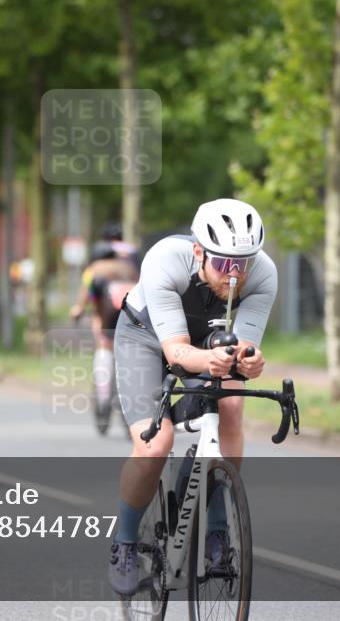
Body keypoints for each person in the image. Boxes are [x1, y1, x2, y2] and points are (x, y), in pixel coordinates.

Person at [106, 198, 277, 595]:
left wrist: (248, 362)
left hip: (206, 340)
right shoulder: (166, 258)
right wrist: (214, 360)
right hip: (146, 339)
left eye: (244, 264)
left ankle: (217, 531)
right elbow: (177, 353)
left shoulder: (264, 273)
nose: (235, 276)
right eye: (224, 264)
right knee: (155, 444)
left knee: (232, 403)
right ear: (199, 250)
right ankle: (126, 541)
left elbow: (244, 349)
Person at [69, 237, 139, 415]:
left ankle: (103, 398)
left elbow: (86, 296)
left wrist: (78, 310)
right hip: (132, 318)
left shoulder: (93, 270)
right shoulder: (130, 269)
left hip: (108, 318)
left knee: (104, 347)